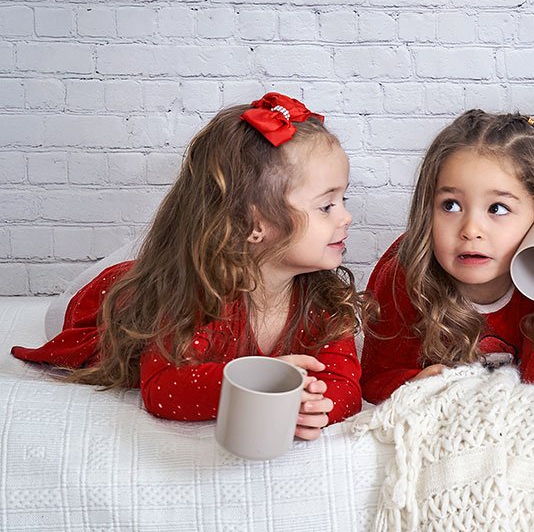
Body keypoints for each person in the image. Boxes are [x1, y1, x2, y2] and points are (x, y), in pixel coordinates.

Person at [12, 92, 370, 438]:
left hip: (196, 266)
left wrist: (310, 407)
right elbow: (161, 387)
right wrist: (248, 385)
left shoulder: (325, 298)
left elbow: (345, 386)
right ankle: (145, 266)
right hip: (108, 301)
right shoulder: (201, 294)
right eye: (327, 206)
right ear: (257, 224)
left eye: (344, 199)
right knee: (94, 300)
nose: (347, 217)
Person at [361, 110, 534, 403]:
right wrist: (411, 382)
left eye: (497, 209)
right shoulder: (402, 279)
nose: (470, 230)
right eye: (451, 205)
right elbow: (375, 379)